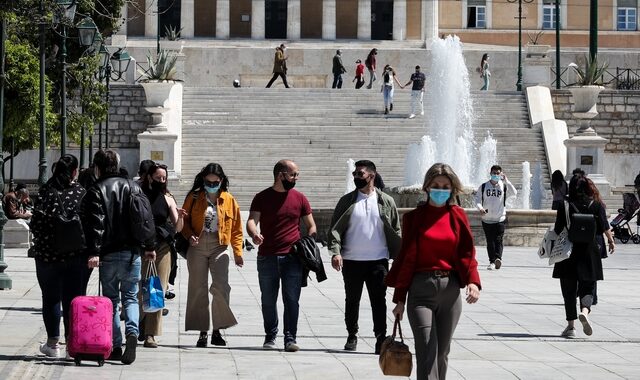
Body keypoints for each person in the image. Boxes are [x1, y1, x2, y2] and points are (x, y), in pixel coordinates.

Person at [386, 163, 481, 380]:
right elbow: (406, 259)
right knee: (427, 351)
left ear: (452, 189)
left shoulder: (457, 215)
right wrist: (399, 299)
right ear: (427, 187)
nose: (440, 189)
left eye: (445, 186)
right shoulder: (413, 218)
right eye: (436, 185)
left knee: (442, 353)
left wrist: (473, 282)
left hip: (451, 291)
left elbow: (467, 252)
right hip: (420, 291)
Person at [80, 150, 157, 365]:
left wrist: (94, 251)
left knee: (112, 301)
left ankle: (116, 344)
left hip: (109, 253)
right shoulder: (133, 187)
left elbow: (96, 223)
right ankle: (132, 332)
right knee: (131, 297)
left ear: (97, 167)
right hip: (133, 253)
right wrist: (150, 245)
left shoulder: (96, 189)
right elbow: (146, 218)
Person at [328, 160, 401, 353]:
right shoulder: (347, 201)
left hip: (378, 260)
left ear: (372, 175)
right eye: (354, 174)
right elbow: (334, 229)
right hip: (352, 260)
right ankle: (352, 335)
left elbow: (396, 229)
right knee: (352, 300)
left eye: (360, 174)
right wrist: (336, 253)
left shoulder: (386, 201)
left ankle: (380, 338)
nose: (356, 177)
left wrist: (398, 254)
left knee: (379, 301)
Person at [246, 159, 317, 352]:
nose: (296, 178)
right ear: (281, 175)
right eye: (293, 174)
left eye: (296, 174)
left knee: (291, 299)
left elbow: (311, 225)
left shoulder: (300, 198)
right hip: (267, 256)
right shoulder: (262, 197)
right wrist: (254, 234)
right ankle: (270, 336)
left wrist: (307, 242)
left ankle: (290, 338)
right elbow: (252, 220)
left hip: (293, 258)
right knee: (268, 299)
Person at [30, 155, 89, 358]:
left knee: (51, 299)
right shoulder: (81, 193)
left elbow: (35, 224)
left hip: (48, 255)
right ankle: (72, 345)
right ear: (74, 171)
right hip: (75, 255)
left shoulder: (46, 191)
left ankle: (53, 344)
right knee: (72, 300)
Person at [180, 163, 244, 347]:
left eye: (215, 182)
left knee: (221, 287)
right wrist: (189, 235)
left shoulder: (229, 199)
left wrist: (238, 252)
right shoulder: (194, 197)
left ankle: (217, 331)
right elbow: (183, 221)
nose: (211, 185)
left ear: (221, 181)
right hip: (198, 246)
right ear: (203, 180)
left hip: (219, 246)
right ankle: (202, 332)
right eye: (208, 182)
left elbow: (237, 229)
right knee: (197, 288)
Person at [553, 174, 614, 339]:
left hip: (569, 252)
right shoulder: (597, 205)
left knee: (569, 290)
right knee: (588, 286)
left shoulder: (564, 204)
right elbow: (604, 226)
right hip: (590, 251)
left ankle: (571, 327)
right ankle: (585, 311)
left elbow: (558, 228)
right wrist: (611, 240)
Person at [138, 162, 186, 348]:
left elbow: (178, 228)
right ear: (149, 177)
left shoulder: (167, 197)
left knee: (156, 289)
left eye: (164, 178)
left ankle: (151, 334)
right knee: (141, 290)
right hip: (141, 248)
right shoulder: (138, 195)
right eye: (158, 178)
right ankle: (140, 322)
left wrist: (180, 216)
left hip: (163, 248)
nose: (162, 181)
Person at [474, 165, 517, 270]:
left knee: (498, 239)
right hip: (486, 219)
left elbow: (514, 192)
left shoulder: (504, 186)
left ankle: (498, 259)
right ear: (490, 173)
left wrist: (507, 181)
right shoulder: (484, 186)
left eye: (498, 173)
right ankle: (492, 261)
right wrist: (480, 208)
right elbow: (478, 199)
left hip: (500, 218)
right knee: (490, 241)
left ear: (501, 174)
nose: (496, 175)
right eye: (494, 173)